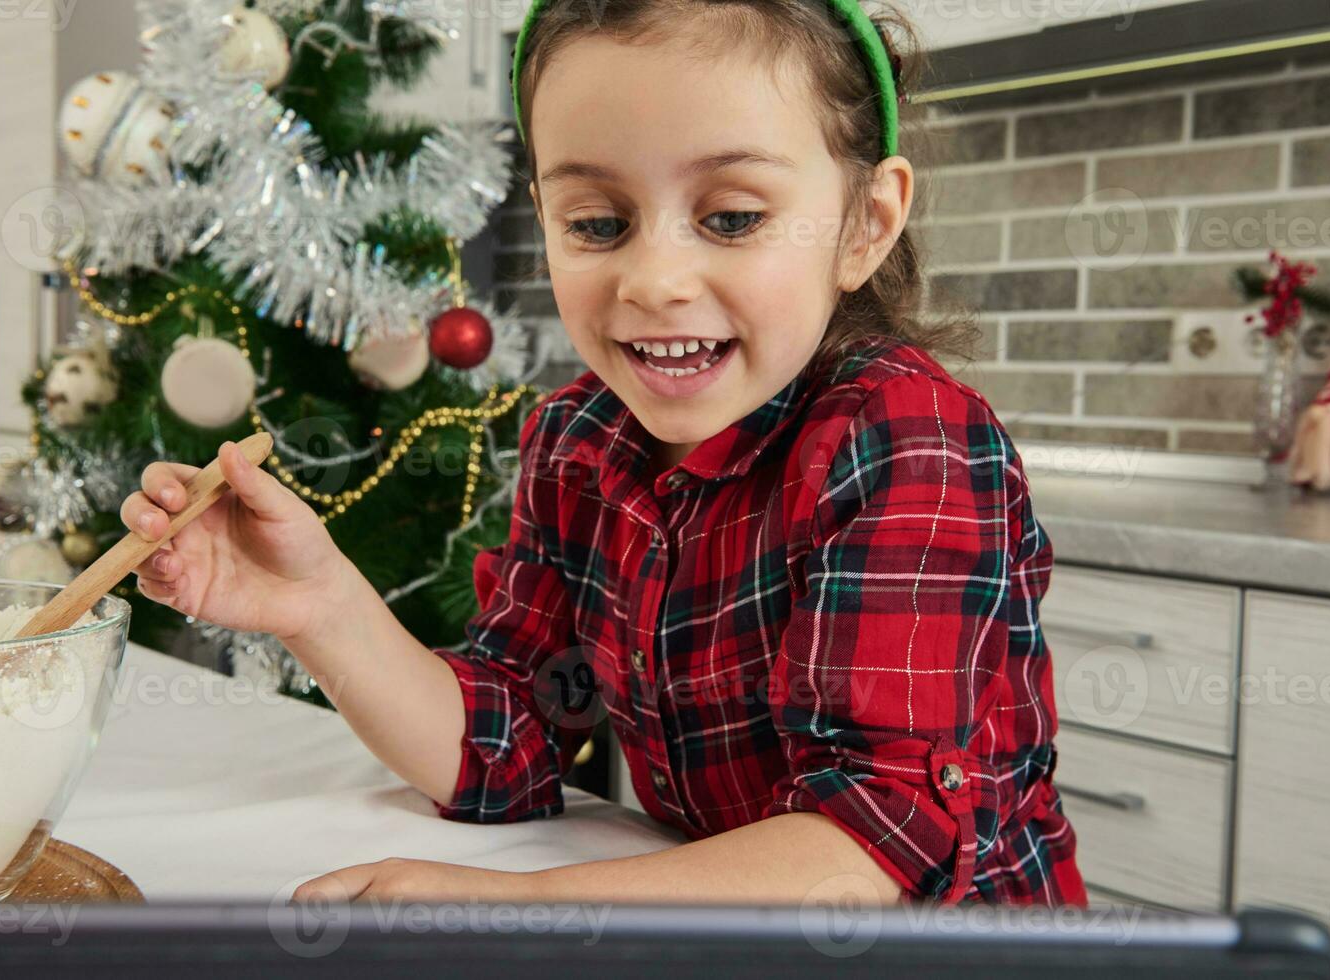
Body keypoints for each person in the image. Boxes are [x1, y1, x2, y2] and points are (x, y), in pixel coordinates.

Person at [120, 0, 1086, 908]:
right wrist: (317, 604)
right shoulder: (578, 439)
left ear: (865, 225)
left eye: (733, 217)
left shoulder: (902, 435)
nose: (654, 280)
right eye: (596, 224)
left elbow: (878, 839)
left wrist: (510, 907)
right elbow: (511, 748)